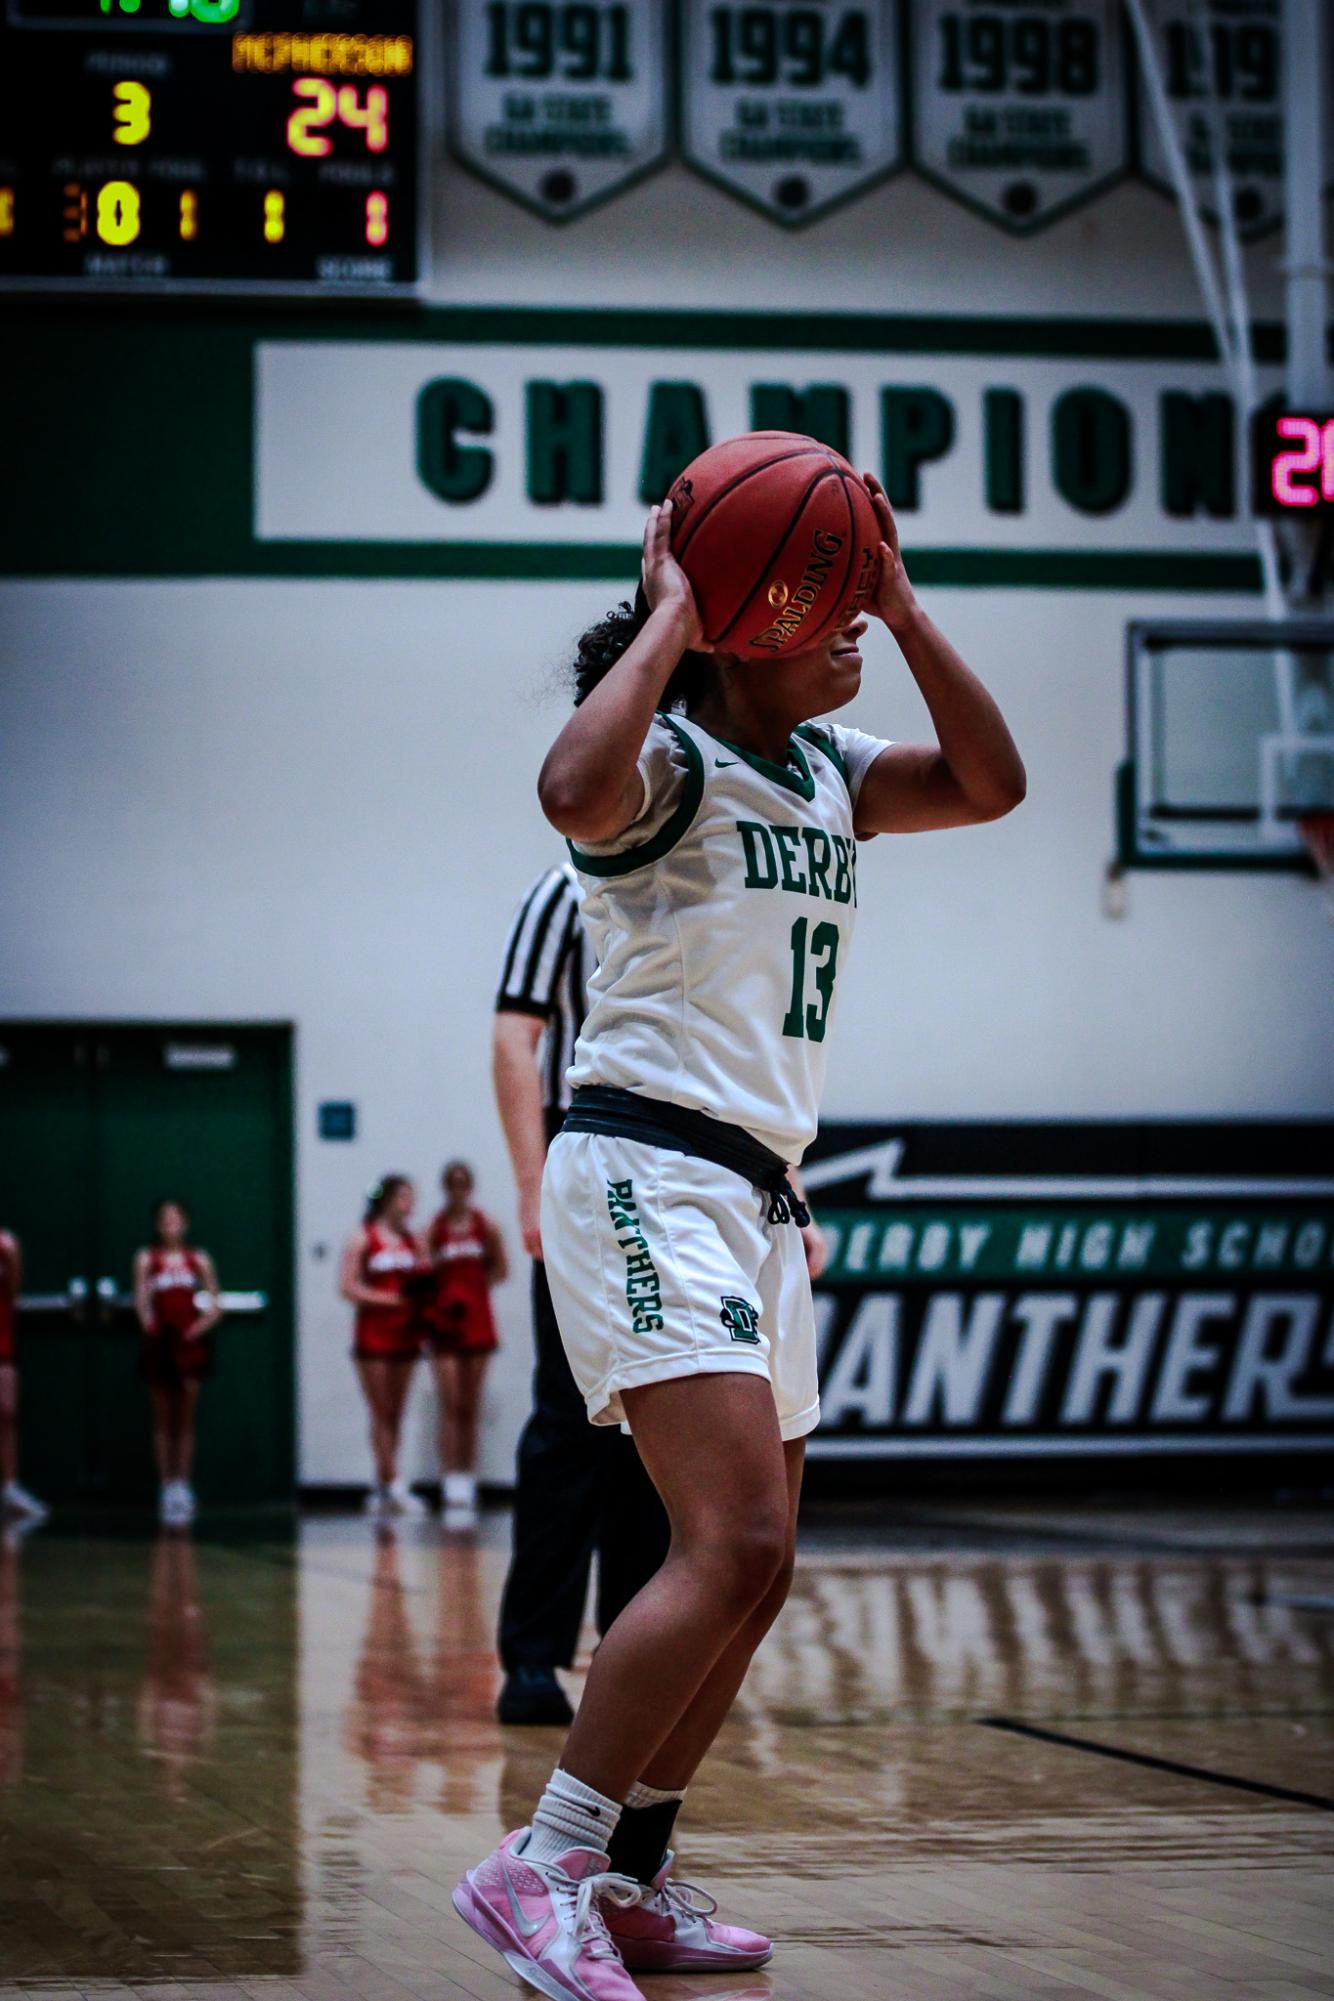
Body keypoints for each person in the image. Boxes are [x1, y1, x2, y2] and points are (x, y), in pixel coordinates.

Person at [454, 472, 1025, 1994]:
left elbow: (991, 781)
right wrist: (672, 619)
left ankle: (631, 1876)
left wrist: (902, 609)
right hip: (644, 1169)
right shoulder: (670, 765)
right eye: (825, 597)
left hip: (758, 1192)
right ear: (744, 621)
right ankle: (547, 1862)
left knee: (757, 1569)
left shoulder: (833, 768)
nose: (847, 617)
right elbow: (567, 789)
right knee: (731, 1543)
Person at [491, 866, 672, 1726]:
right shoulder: (563, 890)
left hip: (680, 1173)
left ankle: (633, 1654)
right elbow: (511, 1040)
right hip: (588, 1164)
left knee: (660, 1431)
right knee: (569, 1425)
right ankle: (530, 1656)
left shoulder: (695, 879)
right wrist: (532, 1187)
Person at [422, 1160, 507, 1520]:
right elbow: (424, 1272)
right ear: (446, 1188)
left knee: (470, 1404)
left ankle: (468, 1477)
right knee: (450, 1401)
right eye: (453, 1183)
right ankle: (449, 1476)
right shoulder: (434, 1229)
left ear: (470, 1187)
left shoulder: (485, 1226)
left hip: (476, 1321)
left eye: (464, 1183)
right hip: (444, 1322)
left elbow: (500, 1269)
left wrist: (474, 1291)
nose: (459, 1190)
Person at [339, 1176, 429, 1518]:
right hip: (374, 1333)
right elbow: (348, 1287)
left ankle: (384, 1482)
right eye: (403, 1196)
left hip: (406, 1334)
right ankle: (392, 1482)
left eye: (412, 1196)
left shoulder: (413, 1238)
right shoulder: (363, 1237)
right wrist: (390, 1299)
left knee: (396, 1412)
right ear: (388, 1199)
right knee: (379, 1411)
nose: (409, 1204)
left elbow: (424, 1276)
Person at [133, 1200, 224, 1526]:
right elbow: (142, 1302)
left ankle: (183, 1484)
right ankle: (165, 1484)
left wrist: (195, 1329)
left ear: (186, 1223)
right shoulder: (148, 1259)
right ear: (158, 1224)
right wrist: (152, 1329)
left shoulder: (197, 1259)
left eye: (177, 1218)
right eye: (165, 1219)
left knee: (185, 1418)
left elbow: (215, 1305)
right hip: (160, 1346)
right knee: (161, 1418)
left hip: (189, 1347)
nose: (171, 1224)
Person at [0, 1229, 45, 1522]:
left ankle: (9, 1486)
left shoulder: (7, 1245)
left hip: (2, 1341)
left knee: (6, 1410)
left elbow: (12, 1293)